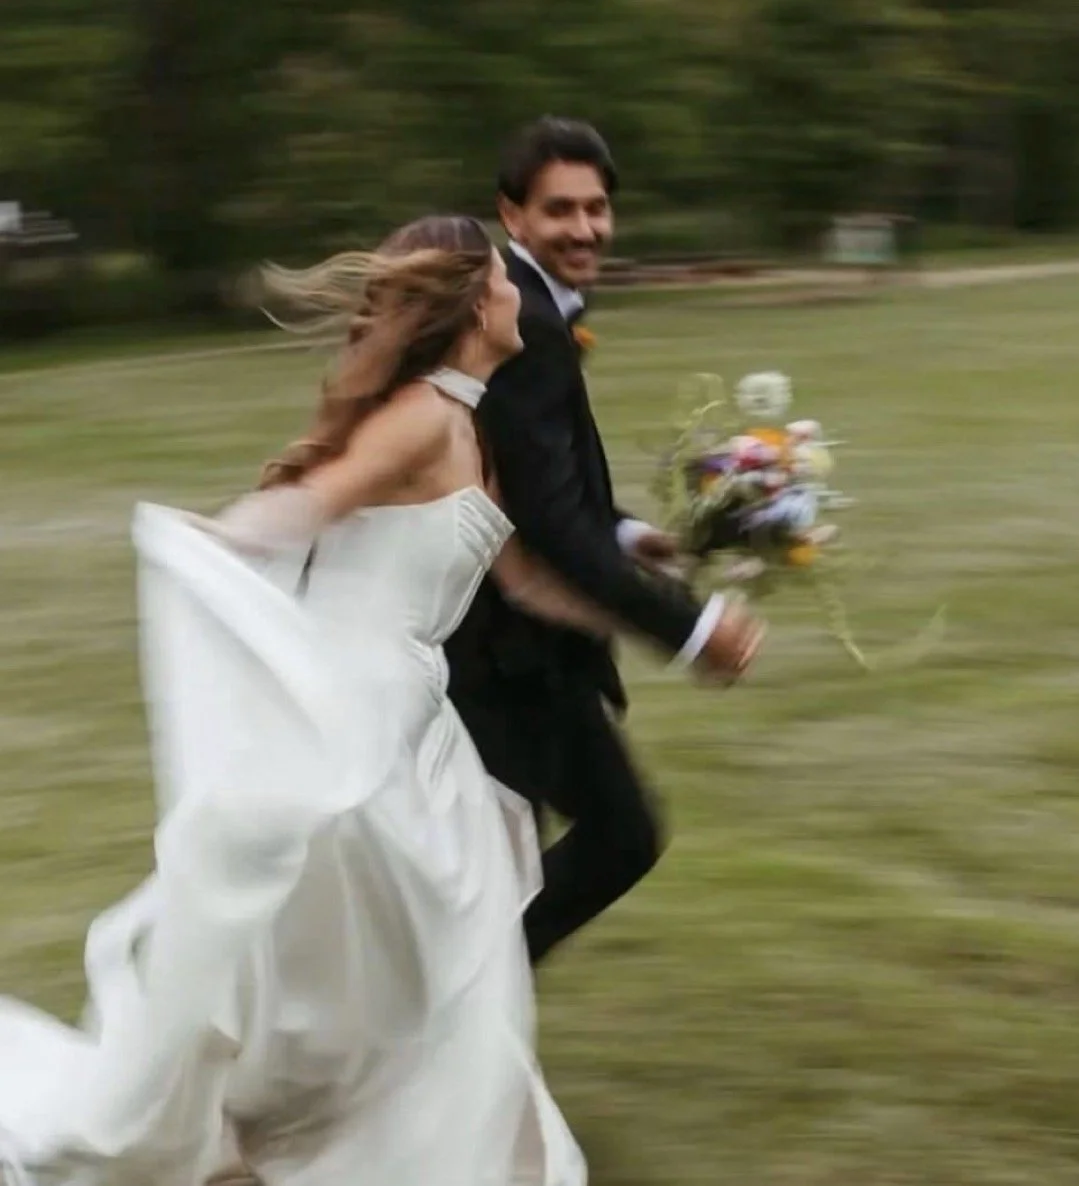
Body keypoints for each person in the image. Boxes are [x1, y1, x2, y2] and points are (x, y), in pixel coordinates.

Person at [0, 215, 762, 1186]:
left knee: (432, 945)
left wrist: (668, 624)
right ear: (470, 306)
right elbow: (311, 503)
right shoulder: (420, 419)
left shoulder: (471, 425)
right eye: (499, 282)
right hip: (351, 715)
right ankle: (282, 1129)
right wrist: (211, 544)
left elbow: (525, 581)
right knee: (375, 946)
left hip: (417, 717)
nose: (515, 298)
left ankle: (326, 1124)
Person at [446, 119, 761, 965]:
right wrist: (690, 630)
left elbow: (533, 479)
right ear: (511, 214)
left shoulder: (532, 303)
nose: (584, 228)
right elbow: (545, 526)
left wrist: (625, 531)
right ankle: (456, 1022)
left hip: (512, 647)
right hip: (503, 653)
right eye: (561, 210)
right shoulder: (525, 321)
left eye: (597, 209)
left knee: (518, 863)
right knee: (609, 839)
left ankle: (463, 1023)